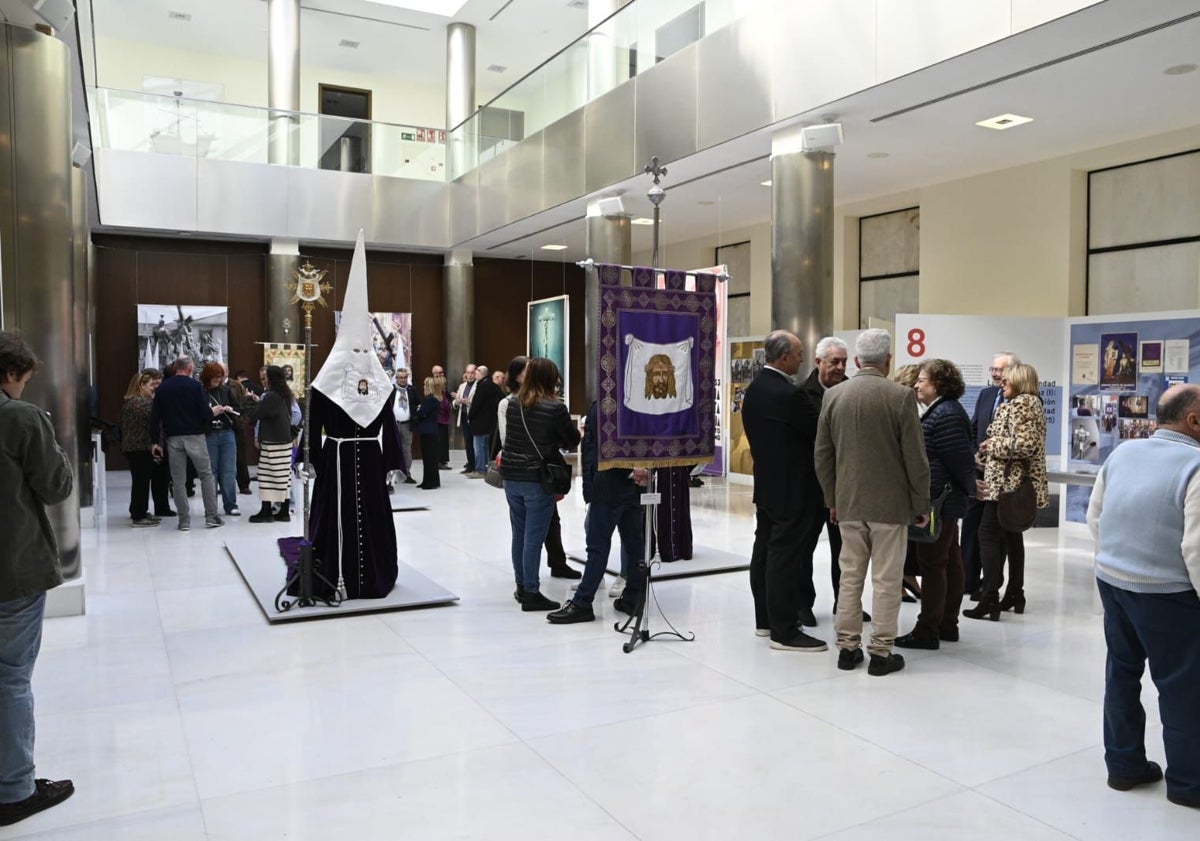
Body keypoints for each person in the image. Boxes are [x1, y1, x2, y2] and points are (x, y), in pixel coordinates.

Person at [1086, 384, 1200, 810]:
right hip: (1168, 594)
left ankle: (1124, 765)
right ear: (1193, 420)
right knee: (1184, 688)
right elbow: (1196, 547)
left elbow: (1095, 516)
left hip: (1114, 582)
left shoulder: (1123, 453)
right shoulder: (1196, 466)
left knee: (1121, 672)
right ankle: (1189, 784)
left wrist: (1112, 566)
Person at [815, 329, 930, 676]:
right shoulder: (900, 397)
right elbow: (915, 457)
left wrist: (832, 498)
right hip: (890, 506)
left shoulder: (833, 396)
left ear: (856, 361)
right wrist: (921, 503)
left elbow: (822, 455)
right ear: (888, 360)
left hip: (848, 503)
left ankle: (847, 649)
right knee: (886, 579)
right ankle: (881, 652)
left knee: (849, 577)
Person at [0, 332, 75, 828]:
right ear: (11, 373)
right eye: (24, 380)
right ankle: (15, 789)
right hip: (13, 566)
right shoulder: (20, 417)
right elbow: (56, 485)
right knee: (10, 677)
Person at [741, 330, 827, 651]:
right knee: (785, 557)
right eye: (800, 353)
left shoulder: (755, 389)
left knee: (764, 551)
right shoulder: (789, 395)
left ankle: (765, 621)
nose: (803, 359)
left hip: (767, 485)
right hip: (793, 489)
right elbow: (819, 432)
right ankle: (785, 630)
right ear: (784, 357)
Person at [896, 359, 977, 649]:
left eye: (923, 380)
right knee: (949, 560)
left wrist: (970, 489)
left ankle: (928, 629)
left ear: (939, 384)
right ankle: (946, 623)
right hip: (943, 500)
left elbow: (960, 461)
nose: (917, 384)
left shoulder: (945, 414)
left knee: (933, 563)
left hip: (939, 503)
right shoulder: (942, 411)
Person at [547, 400, 649, 623]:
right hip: (631, 487)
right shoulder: (633, 400)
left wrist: (628, 471)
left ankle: (583, 601)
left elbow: (603, 448)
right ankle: (633, 596)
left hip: (608, 486)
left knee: (598, 546)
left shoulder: (607, 404)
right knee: (634, 544)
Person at [965, 362, 1049, 621]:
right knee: (1011, 537)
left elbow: (1026, 444)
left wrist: (994, 446)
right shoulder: (1022, 403)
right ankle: (1014, 592)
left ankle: (990, 597)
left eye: (1007, 380)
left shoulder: (1024, 404)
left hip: (1007, 485)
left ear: (1020, 382)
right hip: (1005, 483)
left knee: (987, 535)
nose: (1002, 383)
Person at [499, 357, 581, 611]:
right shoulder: (555, 408)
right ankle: (532, 593)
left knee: (520, 535)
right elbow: (571, 441)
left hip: (511, 477)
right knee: (534, 537)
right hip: (537, 479)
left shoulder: (512, 403)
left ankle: (522, 586)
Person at [802, 336, 866, 619]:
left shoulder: (854, 391)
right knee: (804, 548)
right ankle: (802, 605)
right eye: (834, 362)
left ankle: (847, 604)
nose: (840, 367)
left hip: (846, 487)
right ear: (818, 363)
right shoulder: (803, 394)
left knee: (847, 552)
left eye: (843, 361)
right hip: (812, 485)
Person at [962, 352, 1018, 598]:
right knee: (972, 526)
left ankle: (991, 582)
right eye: (993, 369)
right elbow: (974, 429)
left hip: (1004, 476)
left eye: (1000, 370)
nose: (995, 374)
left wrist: (994, 455)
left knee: (996, 532)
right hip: (979, 472)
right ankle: (968, 579)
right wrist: (975, 454)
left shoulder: (1021, 400)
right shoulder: (986, 395)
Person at [149, 356, 224, 531]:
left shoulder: (163, 388)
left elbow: (155, 417)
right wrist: (212, 413)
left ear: (176, 368)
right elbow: (205, 413)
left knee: (178, 480)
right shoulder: (196, 386)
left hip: (173, 437)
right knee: (206, 476)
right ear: (190, 369)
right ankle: (211, 516)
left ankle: (184, 520)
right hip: (195, 436)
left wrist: (155, 441)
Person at [243, 366, 296, 523]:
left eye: (266, 377)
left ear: (272, 378)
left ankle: (266, 512)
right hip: (285, 442)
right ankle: (284, 512)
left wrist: (248, 402)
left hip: (273, 442)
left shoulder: (272, 396)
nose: (264, 380)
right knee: (283, 478)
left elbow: (255, 415)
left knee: (267, 477)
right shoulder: (285, 394)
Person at [120, 368, 169, 527]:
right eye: (150, 386)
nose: (152, 389)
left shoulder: (130, 402)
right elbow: (157, 418)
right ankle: (139, 515)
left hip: (133, 447)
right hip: (140, 448)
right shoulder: (141, 403)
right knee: (141, 482)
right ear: (141, 385)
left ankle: (139, 510)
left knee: (140, 481)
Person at [201, 361, 240, 517]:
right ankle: (211, 507)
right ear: (208, 377)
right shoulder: (201, 391)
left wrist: (231, 410)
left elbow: (238, 408)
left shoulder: (225, 390)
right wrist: (210, 412)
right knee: (212, 472)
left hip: (227, 432)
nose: (218, 381)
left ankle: (231, 505)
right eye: (215, 378)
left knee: (229, 470)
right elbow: (197, 414)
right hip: (209, 433)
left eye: (220, 378)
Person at [468, 364, 503, 479]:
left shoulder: (482, 386)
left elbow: (476, 404)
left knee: (479, 447)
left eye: (476, 372)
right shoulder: (492, 385)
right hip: (489, 423)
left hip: (480, 422)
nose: (474, 374)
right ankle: (486, 469)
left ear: (481, 373)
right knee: (485, 447)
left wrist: (470, 415)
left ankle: (480, 469)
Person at [388, 368, 419, 488]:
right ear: (396, 378)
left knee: (407, 450)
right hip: (393, 425)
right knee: (392, 448)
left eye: (405, 377)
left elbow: (418, 404)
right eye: (400, 377)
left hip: (407, 425)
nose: (403, 380)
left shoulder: (412, 390)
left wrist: (415, 416)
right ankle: (392, 474)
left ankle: (407, 473)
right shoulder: (391, 390)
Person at [415, 376, 442, 489]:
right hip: (429, 431)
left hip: (428, 431)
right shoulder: (433, 400)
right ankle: (428, 480)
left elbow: (420, 412)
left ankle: (430, 481)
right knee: (428, 458)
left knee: (429, 458)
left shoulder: (430, 400)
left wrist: (419, 411)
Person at [453, 363, 477, 474]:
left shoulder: (478, 385)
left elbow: (479, 403)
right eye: (468, 373)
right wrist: (457, 402)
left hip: (474, 417)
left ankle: (477, 465)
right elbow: (455, 401)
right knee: (467, 442)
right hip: (463, 416)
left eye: (472, 373)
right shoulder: (462, 386)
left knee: (475, 443)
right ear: (465, 374)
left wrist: (468, 402)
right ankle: (470, 465)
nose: (470, 375)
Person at [431, 363, 452, 469]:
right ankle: (439, 461)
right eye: (437, 373)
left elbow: (446, 396)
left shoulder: (443, 385)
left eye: (441, 372)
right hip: (437, 418)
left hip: (444, 419)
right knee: (439, 441)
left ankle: (443, 460)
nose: (440, 375)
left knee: (443, 441)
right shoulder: (432, 386)